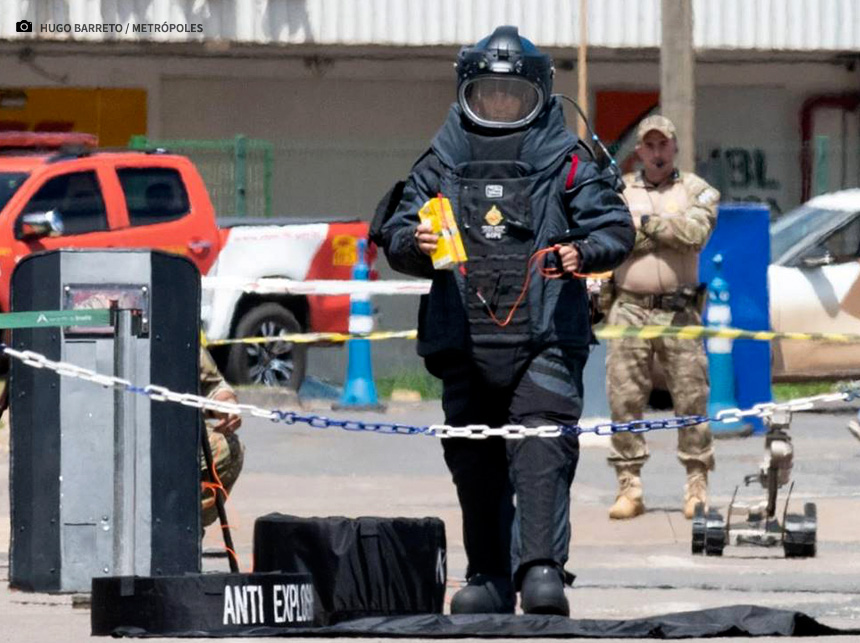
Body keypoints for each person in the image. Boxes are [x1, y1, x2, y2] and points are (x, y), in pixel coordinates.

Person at [376, 26, 634, 615]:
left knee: (541, 451)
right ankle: (488, 573)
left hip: (544, 337)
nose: (499, 105)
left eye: (512, 95)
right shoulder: (441, 160)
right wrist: (413, 243)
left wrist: (580, 254)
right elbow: (392, 232)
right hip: (463, 337)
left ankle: (541, 569)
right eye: (488, 95)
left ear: (537, 94)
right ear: (467, 92)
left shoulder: (565, 161)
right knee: (475, 459)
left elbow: (616, 229)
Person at [603, 114, 720, 520]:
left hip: (679, 310)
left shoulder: (696, 190)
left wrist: (645, 224)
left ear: (674, 148)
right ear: (639, 150)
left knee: (691, 398)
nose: (656, 152)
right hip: (630, 307)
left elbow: (695, 234)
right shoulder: (618, 191)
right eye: (649, 145)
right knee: (624, 399)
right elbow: (612, 236)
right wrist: (659, 230)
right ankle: (629, 486)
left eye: (663, 145)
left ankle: (696, 485)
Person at [199, 346, 244, 529]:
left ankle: (183, 526)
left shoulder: (170, 325)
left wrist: (226, 404)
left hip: (171, 433)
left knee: (228, 447)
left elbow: (213, 384)